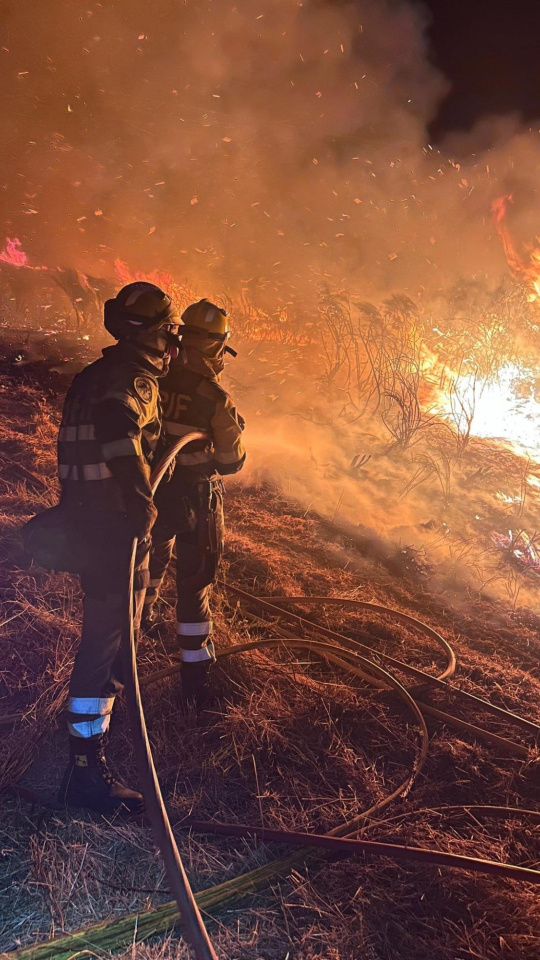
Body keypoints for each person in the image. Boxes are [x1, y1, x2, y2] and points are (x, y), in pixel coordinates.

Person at [57, 282, 182, 815]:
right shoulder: (133, 380)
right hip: (114, 529)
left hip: (88, 521)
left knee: (112, 638)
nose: (172, 343)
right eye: (168, 332)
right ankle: (86, 773)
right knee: (107, 645)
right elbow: (117, 428)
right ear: (151, 334)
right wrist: (139, 500)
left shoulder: (93, 374)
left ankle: (98, 737)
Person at [142, 299, 245, 703]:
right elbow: (231, 462)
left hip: (153, 491)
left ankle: (142, 622)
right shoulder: (214, 397)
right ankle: (196, 677)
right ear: (218, 346)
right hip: (198, 500)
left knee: (149, 561)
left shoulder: (155, 378)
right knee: (194, 583)